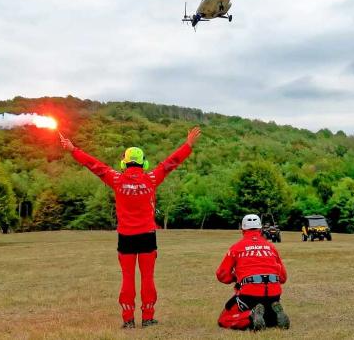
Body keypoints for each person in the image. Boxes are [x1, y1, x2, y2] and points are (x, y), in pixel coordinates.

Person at [59, 127, 201, 329]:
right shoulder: (151, 179)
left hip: (126, 237)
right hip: (147, 236)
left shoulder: (116, 179)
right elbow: (170, 163)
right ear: (143, 162)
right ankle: (148, 317)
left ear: (124, 162)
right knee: (147, 278)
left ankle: (128, 320)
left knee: (127, 279)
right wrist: (187, 145)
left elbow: (94, 165)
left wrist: (73, 149)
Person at [216, 214, 290, 331]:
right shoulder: (270, 247)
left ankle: (250, 315)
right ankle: (274, 316)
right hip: (274, 293)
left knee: (224, 319)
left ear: (242, 229)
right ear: (260, 229)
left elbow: (222, 275)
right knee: (266, 315)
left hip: (250, 292)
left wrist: (236, 277)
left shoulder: (236, 248)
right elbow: (283, 278)